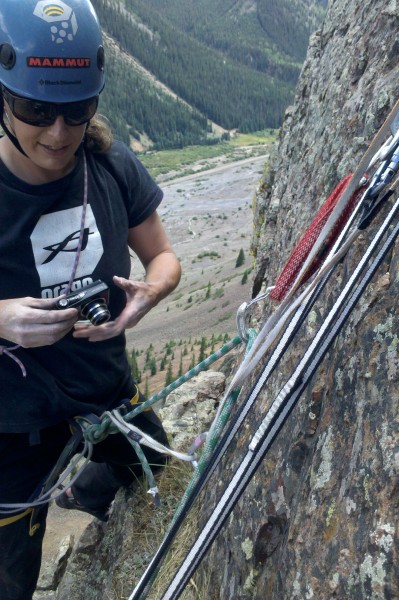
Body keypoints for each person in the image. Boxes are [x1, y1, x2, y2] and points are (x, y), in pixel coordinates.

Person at [0, 0, 181, 598]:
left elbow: (163, 258)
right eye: (36, 109)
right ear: (4, 98)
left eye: (77, 110)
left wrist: (149, 294)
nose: (58, 132)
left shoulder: (106, 163)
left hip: (102, 392)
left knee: (158, 473)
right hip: (13, 424)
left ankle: (88, 488)